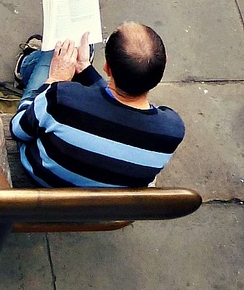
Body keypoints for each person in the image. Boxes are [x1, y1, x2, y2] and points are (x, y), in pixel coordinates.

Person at [10, 22, 185, 188]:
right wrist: (86, 69)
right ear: (164, 64)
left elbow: (18, 129)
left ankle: (27, 63)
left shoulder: (61, 98)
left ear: (107, 68)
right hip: (106, 212)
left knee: (53, 52)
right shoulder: (172, 130)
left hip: (42, 181)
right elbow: (119, 107)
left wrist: (55, 80)